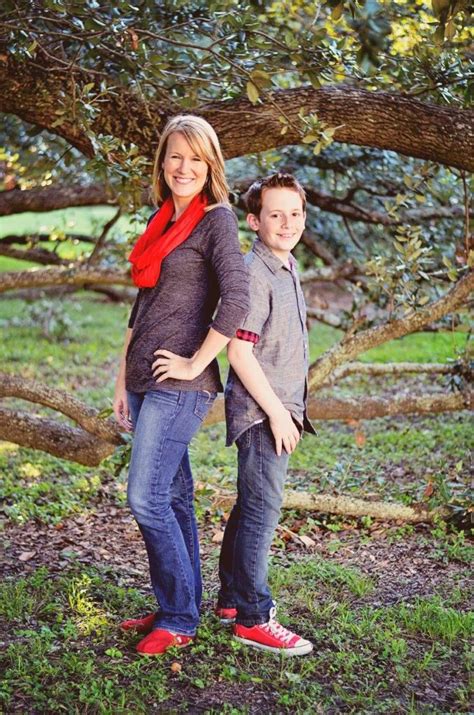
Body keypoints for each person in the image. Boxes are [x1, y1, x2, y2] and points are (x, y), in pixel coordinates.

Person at [113, 115, 249, 656]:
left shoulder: (217, 221)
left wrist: (196, 362)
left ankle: (177, 617)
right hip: (145, 379)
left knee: (144, 497)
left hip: (181, 386)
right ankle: (181, 599)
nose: (183, 167)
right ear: (162, 162)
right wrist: (121, 380)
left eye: (195, 158)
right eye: (175, 156)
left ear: (210, 164)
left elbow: (236, 300)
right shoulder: (160, 219)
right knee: (172, 498)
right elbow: (141, 304)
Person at [216, 173, 316, 656]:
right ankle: (254, 618)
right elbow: (239, 351)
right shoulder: (256, 274)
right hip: (263, 413)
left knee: (249, 505)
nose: (287, 222)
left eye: (294, 213)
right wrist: (277, 414)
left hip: (278, 409)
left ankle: (233, 600)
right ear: (253, 220)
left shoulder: (285, 265)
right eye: (275, 214)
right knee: (261, 509)